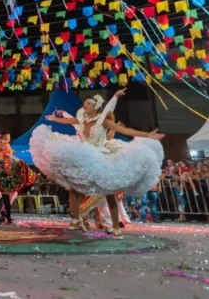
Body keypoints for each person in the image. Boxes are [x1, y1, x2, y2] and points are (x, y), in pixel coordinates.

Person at [31, 89, 165, 238]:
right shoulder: (81, 120)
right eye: (84, 103)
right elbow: (69, 121)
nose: (84, 105)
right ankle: (76, 219)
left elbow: (124, 130)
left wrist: (147, 135)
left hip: (101, 156)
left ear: (96, 107)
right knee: (74, 187)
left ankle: (115, 227)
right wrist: (55, 119)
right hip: (85, 156)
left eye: (88, 103)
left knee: (109, 193)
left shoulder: (103, 122)